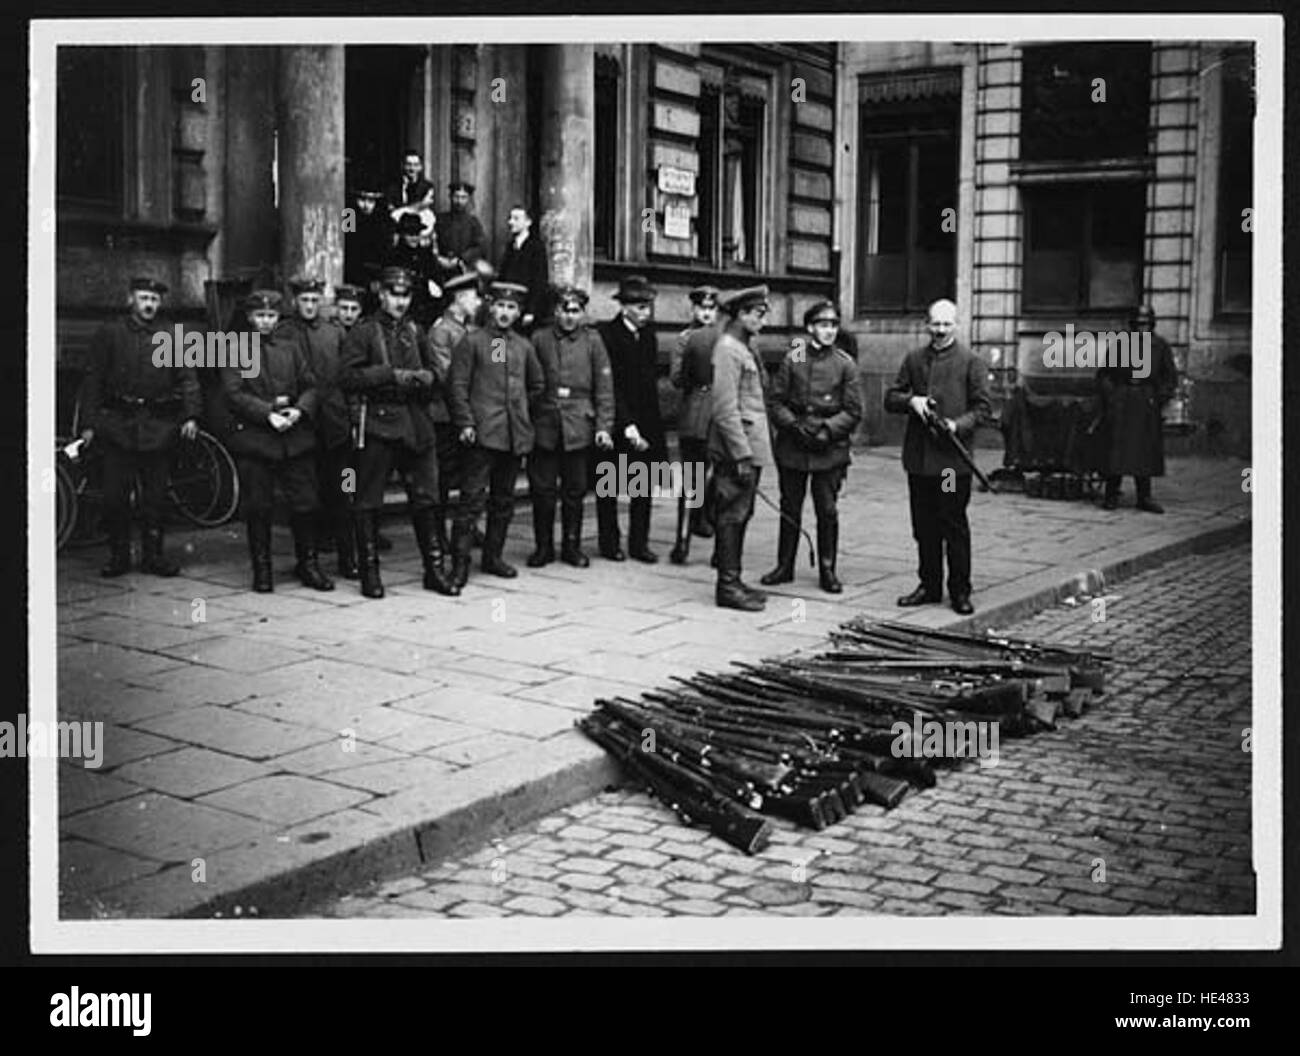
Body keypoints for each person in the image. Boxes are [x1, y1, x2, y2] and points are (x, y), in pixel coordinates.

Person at [339, 266, 458, 600]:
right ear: (382, 294)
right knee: (369, 501)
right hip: (379, 424)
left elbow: (434, 371)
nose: (400, 302)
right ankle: (370, 573)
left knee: (426, 498)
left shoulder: (414, 330)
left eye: (405, 295)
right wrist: (389, 375)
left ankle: (434, 570)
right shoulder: (364, 331)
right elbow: (346, 377)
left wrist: (427, 379)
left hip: (416, 425)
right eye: (394, 294)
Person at [79, 276, 200, 578]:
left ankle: (153, 557)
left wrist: (191, 416)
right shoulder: (110, 334)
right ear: (130, 299)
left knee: (155, 497)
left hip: (158, 426)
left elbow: (188, 379)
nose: (149, 304)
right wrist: (89, 424)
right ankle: (119, 555)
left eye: (154, 299)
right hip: (118, 425)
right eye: (143, 297)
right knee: (114, 496)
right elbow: (92, 381)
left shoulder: (172, 336)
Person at [884, 298, 991, 615]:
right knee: (924, 526)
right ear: (927, 325)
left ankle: (959, 590)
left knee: (952, 524)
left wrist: (957, 425)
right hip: (919, 461)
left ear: (956, 325)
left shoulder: (972, 361)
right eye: (935, 324)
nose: (940, 330)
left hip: (949, 466)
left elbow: (983, 409)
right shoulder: (914, 359)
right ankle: (929, 586)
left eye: (946, 324)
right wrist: (911, 401)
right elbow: (891, 397)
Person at [221, 290, 332, 594]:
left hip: (294, 437)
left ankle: (308, 564)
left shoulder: (290, 348)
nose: (266, 322)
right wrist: (268, 413)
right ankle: (263, 570)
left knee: (306, 502)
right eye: (260, 316)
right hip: (257, 438)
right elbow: (233, 393)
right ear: (249, 318)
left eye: (271, 316)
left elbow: (311, 384)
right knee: (259, 506)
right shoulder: (235, 348)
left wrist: (301, 409)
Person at [448, 281, 545, 584]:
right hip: (481, 435)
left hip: (513, 436)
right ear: (490, 307)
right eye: (500, 306)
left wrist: (520, 410)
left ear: (518, 313)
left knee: (503, 501)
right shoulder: (472, 341)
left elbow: (537, 385)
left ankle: (493, 557)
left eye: (512, 307)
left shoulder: (523, 346)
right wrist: (465, 422)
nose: (505, 313)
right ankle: (459, 564)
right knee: (471, 501)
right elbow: (457, 386)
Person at [762, 300, 863, 593]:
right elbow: (776, 401)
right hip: (794, 446)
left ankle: (828, 569)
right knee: (789, 507)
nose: (828, 331)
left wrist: (827, 431)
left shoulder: (845, 363)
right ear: (810, 328)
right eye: (822, 325)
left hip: (829, 450)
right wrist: (793, 426)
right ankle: (784, 566)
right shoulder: (795, 355)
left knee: (827, 510)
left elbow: (854, 411)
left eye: (833, 325)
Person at [527, 286, 615, 568]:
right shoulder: (539, 338)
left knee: (575, 490)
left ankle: (572, 545)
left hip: (579, 425)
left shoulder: (593, 341)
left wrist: (603, 426)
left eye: (575, 311)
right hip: (545, 424)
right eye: (564, 310)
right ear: (555, 311)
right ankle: (543, 547)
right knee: (542, 490)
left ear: (583, 313)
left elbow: (604, 389)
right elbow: (526, 380)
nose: (569, 316)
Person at [276, 277, 357, 580]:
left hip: (335, 426)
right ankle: (308, 562)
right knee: (305, 498)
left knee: (344, 492)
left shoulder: (334, 332)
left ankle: (348, 559)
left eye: (314, 300)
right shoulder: (283, 334)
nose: (310, 306)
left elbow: (349, 375)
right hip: (301, 427)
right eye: (304, 300)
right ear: (294, 301)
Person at [708, 285, 775, 612]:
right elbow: (724, 408)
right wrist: (741, 455)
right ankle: (727, 586)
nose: (763, 320)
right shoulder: (728, 350)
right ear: (741, 314)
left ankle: (733, 579)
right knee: (732, 515)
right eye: (758, 314)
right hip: (737, 451)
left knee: (741, 512)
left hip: (749, 446)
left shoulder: (744, 347)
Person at [595, 274, 665, 563]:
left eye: (647, 307)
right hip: (615, 417)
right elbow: (610, 385)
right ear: (624, 307)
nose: (645, 313)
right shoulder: (607, 335)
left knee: (643, 483)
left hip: (646, 417)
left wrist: (647, 425)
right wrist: (626, 424)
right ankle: (609, 542)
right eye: (639, 307)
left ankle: (640, 543)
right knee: (609, 483)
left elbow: (649, 382)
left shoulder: (649, 335)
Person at [1097, 303, 1179, 513]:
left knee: (1144, 450)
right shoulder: (1120, 344)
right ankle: (1111, 494)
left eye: (1146, 324)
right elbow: (1104, 374)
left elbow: (1169, 377)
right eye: (1138, 323)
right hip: (1122, 399)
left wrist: (1158, 398)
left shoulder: (1160, 346)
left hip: (1146, 401)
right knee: (1117, 449)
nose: (1141, 328)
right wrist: (1112, 397)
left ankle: (1144, 497)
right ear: (1132, 324)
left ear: (1152, 324)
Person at [426, 271, 483, 564]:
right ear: (459, 299)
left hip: (467, 413)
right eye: (474, 296)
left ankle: (468, 527)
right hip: (446, 417)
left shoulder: (470, 329)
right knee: (443, 479)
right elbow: (448, 376)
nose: (479, 301)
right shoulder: (442, 331)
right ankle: (438, 534)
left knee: (469, 475)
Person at [669, 284, 720, 565]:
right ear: (693, 310)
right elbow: (676, 378)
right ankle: (682, 539)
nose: (707, 313)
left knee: (717, 476)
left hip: (720, 412)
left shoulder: (727, 338)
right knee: (692, 478)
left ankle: (704, 518)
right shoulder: (685, 338)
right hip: (695, 412)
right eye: (702, 308)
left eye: (711, 309)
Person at [385, 213, 444, 328]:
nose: (414, 238)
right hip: (403, 309)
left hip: (426, 310)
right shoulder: (393, 256)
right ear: (402, 234)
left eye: (417, 234)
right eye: (410, 234)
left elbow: (437, 280)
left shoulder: (426, 255)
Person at [497, 205, 550, 332]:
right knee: (501, 342)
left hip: (526, 310)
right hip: (509, 307)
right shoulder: (511, 246)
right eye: (510, 218)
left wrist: (531, 311)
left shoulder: (536, 247)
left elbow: (540, 281)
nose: (511, 222)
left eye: (516, 219)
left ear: (528, 222)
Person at [344, 177, 393, 308]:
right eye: (362, 200)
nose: (366, 205)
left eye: (371, 201)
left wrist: (378, 279)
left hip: (378, 275)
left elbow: (386, 253)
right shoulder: (349, 215)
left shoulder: (384, 219)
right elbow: (349, 248)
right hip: (354, 274)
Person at [435, 180, 487, 272]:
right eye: (456, 197)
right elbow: (432, 242)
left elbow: (480, 247)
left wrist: (461, 259)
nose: (459, 201)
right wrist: (439, 259)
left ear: (468, 199)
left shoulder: (473, 222)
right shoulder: (440, 219)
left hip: (464, 268)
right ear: (450, 197)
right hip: (441, 267)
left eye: (463, 197)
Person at [385, 149, 437, 230]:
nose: (412, 169)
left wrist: (402, 210)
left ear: (421, 167)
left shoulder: (427, 187)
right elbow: (392, 215)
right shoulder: (393, 187)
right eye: (409, 164)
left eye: (416, 165)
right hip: (399, 229)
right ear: (403, 166)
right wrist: (419, 206)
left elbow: (427, 214)